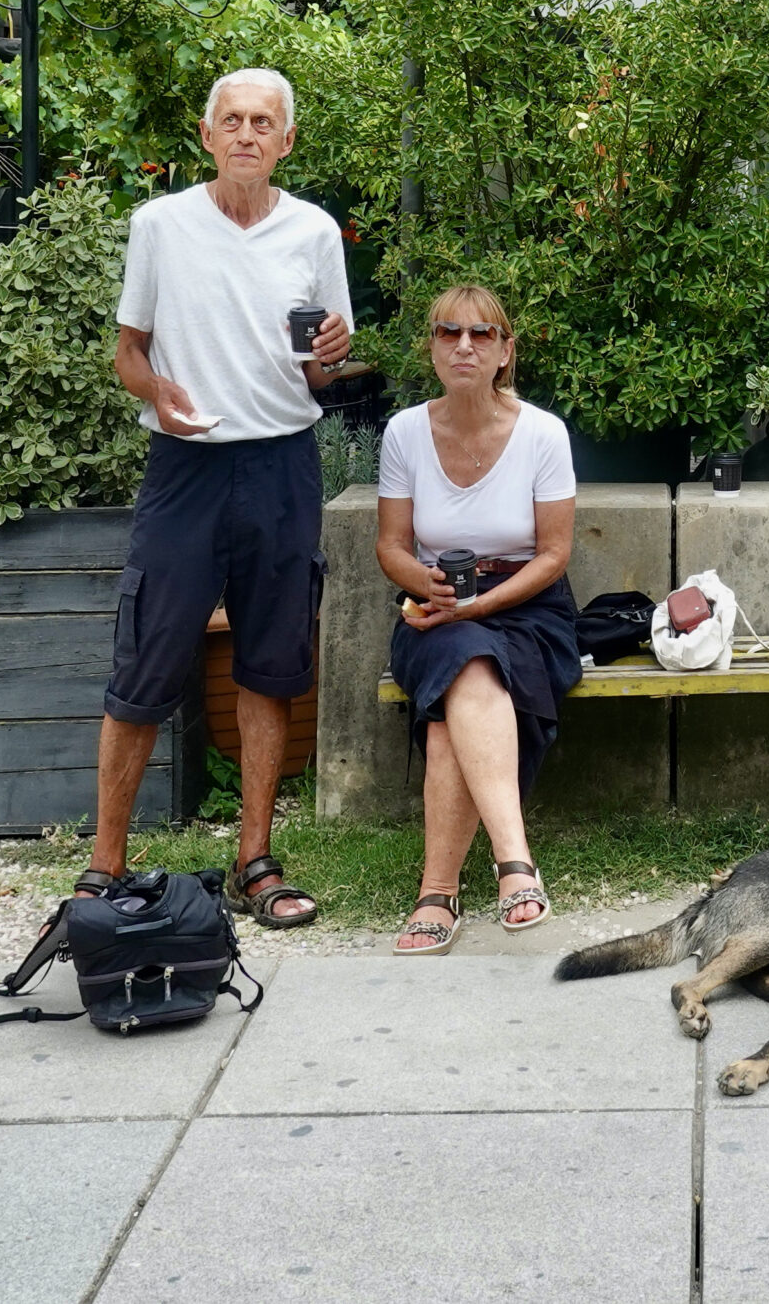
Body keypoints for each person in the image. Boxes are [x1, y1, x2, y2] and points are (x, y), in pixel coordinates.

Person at [91, 67, 351, 930]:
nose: (246, 133)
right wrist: (156, 391)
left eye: (263, 122)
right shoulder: (159, 225)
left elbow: (321, 366)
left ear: (286, 141)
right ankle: (103, 867)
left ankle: (255, 860)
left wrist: (334, 354)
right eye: (231, 120)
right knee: (144, 666)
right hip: (185, 468)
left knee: (270, 666)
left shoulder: (313, 232)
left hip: (282, 465)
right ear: (207, 136)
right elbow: (129, 350)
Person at [378, 284, 581, 955]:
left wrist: (479, 605)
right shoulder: (406, 431)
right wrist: (430, 589)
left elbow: (553, 555)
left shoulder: (542, 433)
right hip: (433, 609)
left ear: (504, 352)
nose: (464, 345)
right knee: (462, 659)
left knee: (454, 700)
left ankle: (438, 894)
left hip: (528, 608)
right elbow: (391, 547)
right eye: (448, 333)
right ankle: (513, 865)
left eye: (482, 335)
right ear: (433, 348)